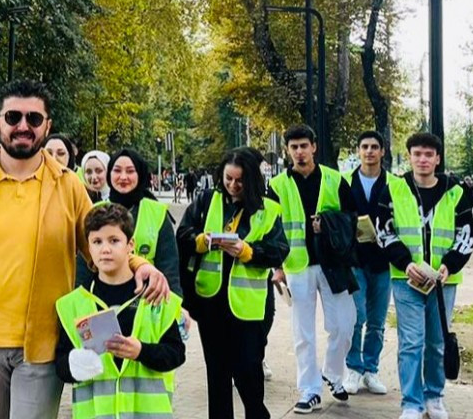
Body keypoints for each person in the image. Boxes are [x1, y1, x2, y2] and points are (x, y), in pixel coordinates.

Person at [0, 80, 169, 419]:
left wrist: (139, 265)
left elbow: (99, 242)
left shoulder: (68, 184)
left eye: (33, 118)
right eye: (13, 117)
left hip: (43, 344)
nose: (23, 127)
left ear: (47, 126)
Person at [177, 148, 288, 419]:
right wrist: (201, 241)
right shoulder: (206, 200)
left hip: (247, 307)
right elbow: (182, 235)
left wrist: (249, 252)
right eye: (228, 178)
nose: (232, 185)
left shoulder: (268, 209)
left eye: (239, 181)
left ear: (251, 180)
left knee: (248, 372)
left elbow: (279, 249)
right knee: (217, 374)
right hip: (210, 301)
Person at [375, 133, 473, 419]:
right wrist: (405, 263)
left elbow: (466, 235)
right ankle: (411, 402)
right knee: (411, 342)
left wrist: (449, 266)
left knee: (436, 342)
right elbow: (385, 232)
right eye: (417, 153)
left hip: (444, 281)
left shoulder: (455, 191)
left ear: (438, 159)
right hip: (407, 279)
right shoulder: (394, 189)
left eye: (428, 154)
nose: (422, 159)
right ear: (409, 156)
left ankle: (434, 397)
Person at [55, 203, 186, 418]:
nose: (105, 249)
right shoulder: (73, 305)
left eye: (114, 240)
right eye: (97, 242)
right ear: (88, 247)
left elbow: (176, 354)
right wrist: (76, 365)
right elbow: (61, 366)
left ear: (130, 244)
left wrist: (142, 351)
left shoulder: (156, 298)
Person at [268, 125, 357, 413]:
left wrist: (328, 223)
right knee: (302, 333)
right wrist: (277, 267)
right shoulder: (278, 185)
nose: (299, 152)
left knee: (345, 324)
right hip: (297, 265)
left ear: (314, 147)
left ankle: (332, 373)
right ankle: (309, 390)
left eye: (304, 145)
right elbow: (270, 228)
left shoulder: (335, 179)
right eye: (293, 147)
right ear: (287, 150)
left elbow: (352, 219)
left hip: (332, 264)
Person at [77, 148, 182, 296]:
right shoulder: (94, 211)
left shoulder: (157, 212)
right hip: (102, 301)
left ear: (140, 174)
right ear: (109, 174)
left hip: (148, 299)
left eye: (130, 171)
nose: (123, 177)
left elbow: (169, 266)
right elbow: (84, 266)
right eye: (117, 170)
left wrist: (174, 306)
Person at [343, 131, 392, 396]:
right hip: (355, 260)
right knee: (356, 317)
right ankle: (353, 367)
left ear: (382, 152)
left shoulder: (393, 184)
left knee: (377, 320)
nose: (370, 151)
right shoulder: (345, 183)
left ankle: (371, 369)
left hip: (384, 261)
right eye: (365, 147)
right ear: (358, 151)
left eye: (375, 147)